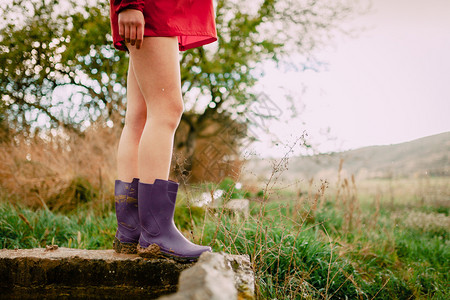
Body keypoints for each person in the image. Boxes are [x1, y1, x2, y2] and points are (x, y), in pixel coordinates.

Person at [109, 0, 217, 262]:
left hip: (154, 8)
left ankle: (131, 229)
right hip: (152, 8)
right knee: (167, 108)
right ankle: (156, 232)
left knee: (141, 115)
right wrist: (129, 3)